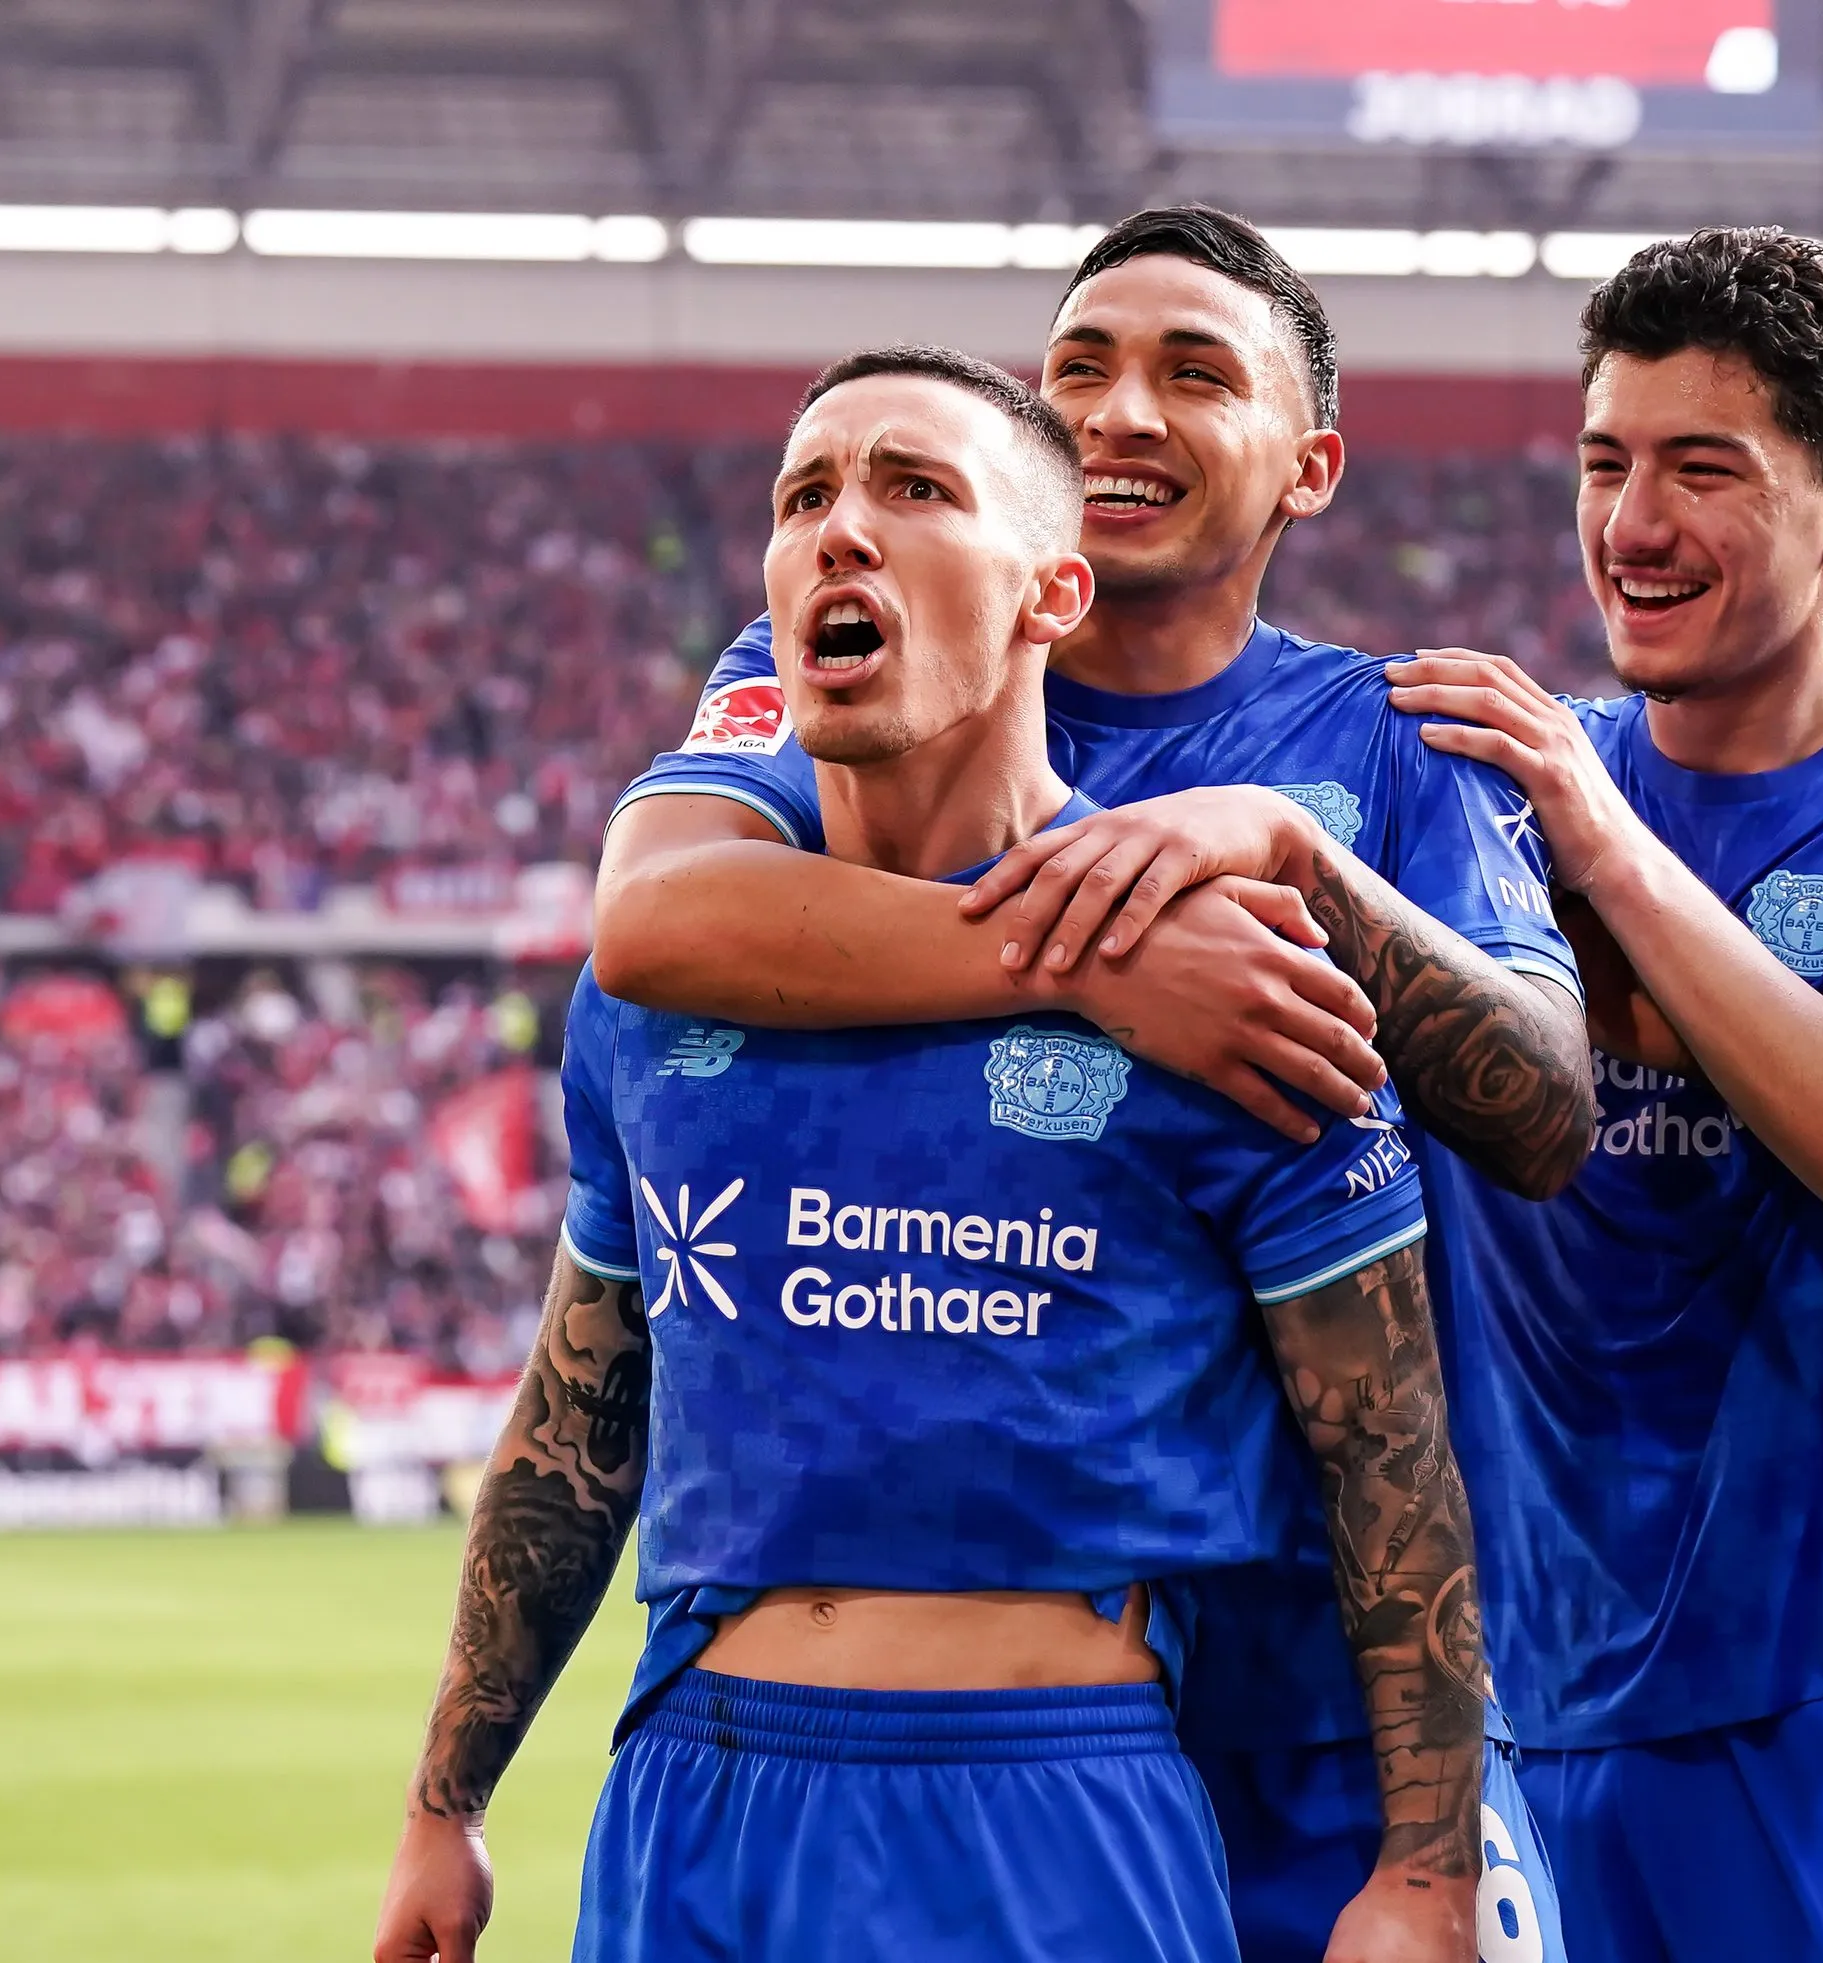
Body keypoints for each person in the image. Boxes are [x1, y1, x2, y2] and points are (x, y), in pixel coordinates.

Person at [369, 346, 1491, 1963]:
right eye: (803, 495)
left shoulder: (1227, 982)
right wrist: (445, 1802)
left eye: (914, 488)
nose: (840, 528)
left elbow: (1391, 1462)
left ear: (1052, 593)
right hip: (695, 1797)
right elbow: (576, 1415)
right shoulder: (663, 988)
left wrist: (1425, 1868)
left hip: (1048, 1810)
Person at [595, 207, 1592, 1962]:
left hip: (1329, 1714)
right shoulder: (823, 665)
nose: (1119, 410)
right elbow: (652, 920)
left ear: (1310, 465)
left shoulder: (1389, 739)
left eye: (1191, 375)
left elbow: (1536, 1114)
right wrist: (1102, 948)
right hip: (1015, 1693)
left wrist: (1296, 859)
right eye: (1078, 370)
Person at [1369, 229, 1823, 1960]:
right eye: (1604, 463)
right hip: (1519, 1717)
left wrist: (1608, 851)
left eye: (1703, 469)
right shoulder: (1478, 810)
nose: (1632, 522)